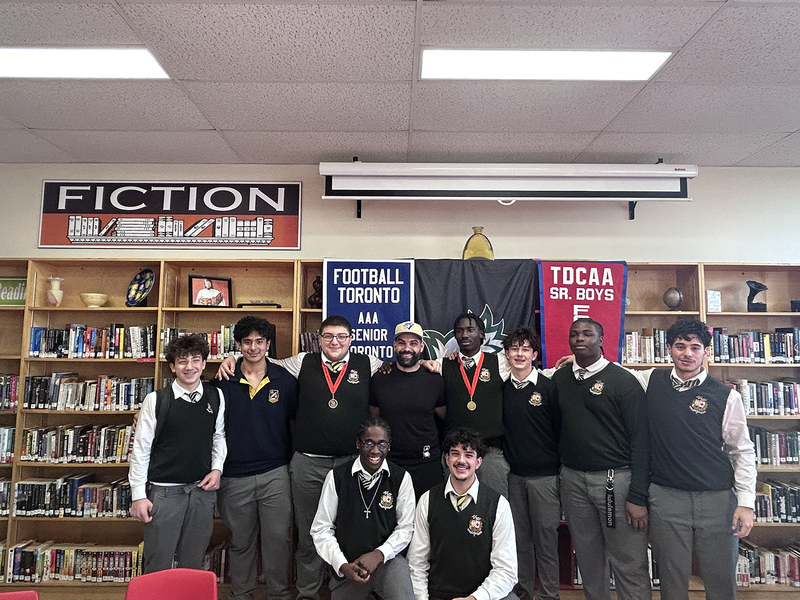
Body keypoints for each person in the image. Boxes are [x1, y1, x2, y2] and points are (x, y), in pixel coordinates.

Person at [217, 314, 386, 600]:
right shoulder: (300, 362)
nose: (335, 341)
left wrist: (427, 363)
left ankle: (342, 592)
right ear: (318, 339)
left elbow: (401, 367)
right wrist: (231, 360)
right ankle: (307, 593)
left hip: (350, 465)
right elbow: (259, 362)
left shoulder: (368, 363)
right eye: (328, 336)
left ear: (351, 339)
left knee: (347, 533)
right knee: (308, 534)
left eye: (341, 336)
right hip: (308, 464)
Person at [639, 319, 756, 600]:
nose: (687, 353)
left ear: (706, 352)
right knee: (671, 575)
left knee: (720, 576)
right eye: (680, 346)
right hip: (666, 498)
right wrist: (581, 362)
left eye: (695, 347)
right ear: (669, 349)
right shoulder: (650, 380)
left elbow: (742, 451)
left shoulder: (726, 396)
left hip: (716, 500)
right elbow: (612, 374)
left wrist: (746, 504)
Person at [551, 318, 650, 600]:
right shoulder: (561, 378)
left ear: (602, 339)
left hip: (616, 482)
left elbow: (642, 441)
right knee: (589, 560)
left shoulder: (623, 381)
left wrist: (638, 495)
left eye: (587, 333)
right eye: (574, 334)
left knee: (628, 561)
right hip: (573, 481)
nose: (580, 338)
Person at [210, 316, 297, 600]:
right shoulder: (223, 380)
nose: (253, 347)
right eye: (247, 342)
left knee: (277, 541)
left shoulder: (285, 380)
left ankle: (279, 595)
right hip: (234, 477)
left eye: (260, 341)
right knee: (241, 542)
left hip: (275, 474)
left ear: (268, 344)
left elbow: (297, 422)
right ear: (238, 345)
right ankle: (241, 594)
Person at [128, 334, 226, 573]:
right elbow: (140, 449)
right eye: (182, 361)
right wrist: (138, 496)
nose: (189, 367)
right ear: (172, 367)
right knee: (158, 562)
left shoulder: (216, 396)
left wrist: (217, 468)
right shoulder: (156, 400)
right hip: (164, 493)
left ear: (204, 363)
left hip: (201, 493)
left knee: (193, 563)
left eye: (196, 360)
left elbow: (218, 436)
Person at [311, 417, 416, 600]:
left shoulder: (401, 477)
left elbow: (406, 528)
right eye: (369, 443)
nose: (375, 450)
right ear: (358, 444)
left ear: (389, 446)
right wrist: (342, 564)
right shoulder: (337, 477)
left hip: (388, 563)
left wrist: (379, 554)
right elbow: (321, 529)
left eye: (382, 444)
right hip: (350, 565)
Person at [408, 427, 518, 600]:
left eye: (468, 455)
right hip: (438, 595)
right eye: (455, 454)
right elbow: (417, 563)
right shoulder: (427, 500)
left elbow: (507, 570)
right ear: (446, 459)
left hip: (480, 596)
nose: (461, 461)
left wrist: (475, 598)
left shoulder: (498, 505)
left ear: (478, 462)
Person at [502, 327, 561, 600]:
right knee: (520, 542)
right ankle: (524, 591)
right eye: (514, 349)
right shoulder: (502, 390)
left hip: (545, 479)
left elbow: (560, 430)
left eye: (525, 349)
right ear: (507, 354)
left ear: (535, 354)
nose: (519, 354)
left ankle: (549, 594)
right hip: (514, 477)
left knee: (546, 541)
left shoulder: (549, 387)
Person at [370, 321, 446, 498]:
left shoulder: (435, 379)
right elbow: (374, 418)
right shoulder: (380, 378)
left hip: (427, 463)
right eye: (401, 342)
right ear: (394, 345)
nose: (407, 348)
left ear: (421, 346)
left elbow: (444, 416)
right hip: (389, 462)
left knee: (427, 519)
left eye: (413, 343)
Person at [440, 312, 510, 497]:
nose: (464, 335)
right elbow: (418, 366)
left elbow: (528, 370)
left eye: (470, 330)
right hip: (456, 453)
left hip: (491, 453)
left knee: (494, 508)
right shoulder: (443, 365)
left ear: (481, 334)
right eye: (459, 331)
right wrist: (422, 361)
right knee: (456, 508)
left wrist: (571, 361)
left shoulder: (500, 362)